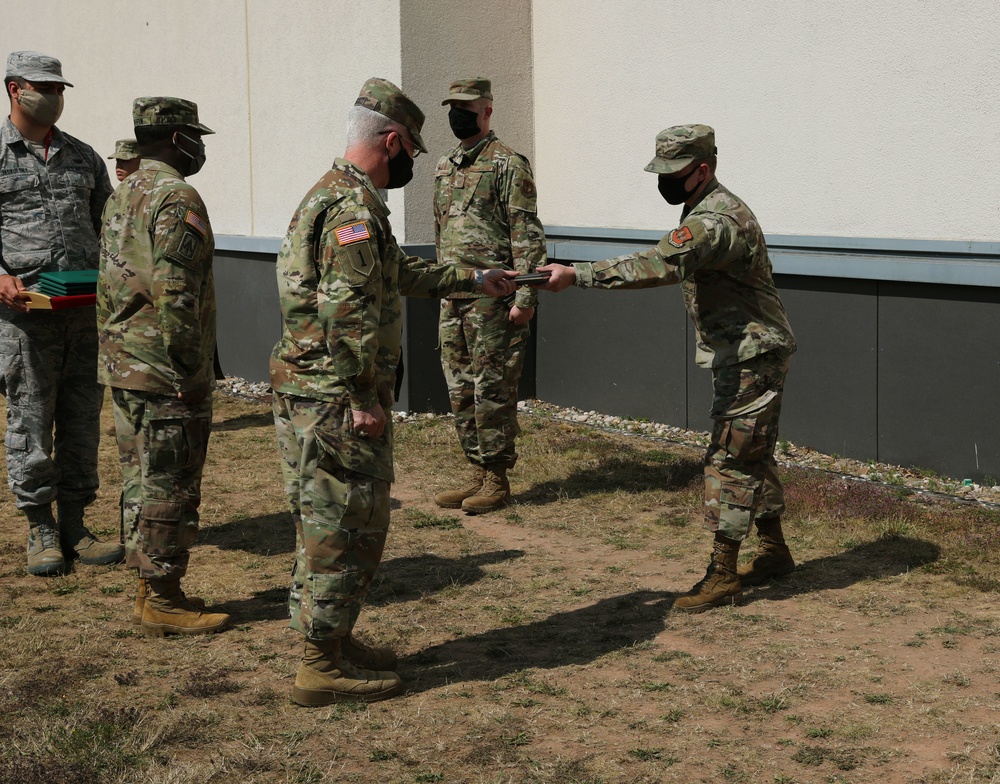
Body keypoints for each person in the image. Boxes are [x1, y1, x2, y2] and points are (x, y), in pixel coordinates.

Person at [271, 77, 517, 705]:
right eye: (412, 147)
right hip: (335, 401)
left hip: (312, 394)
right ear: (391, 140)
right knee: (344, 526)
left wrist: (474, 278)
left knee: (325, 520)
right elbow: (346, 311)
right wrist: (362, 399)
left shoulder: (334, 196)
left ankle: (332, 642)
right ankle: (320, 665)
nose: (414, 160)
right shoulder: (353, 210)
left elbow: (397, 272)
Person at [537, 125, 797, 613]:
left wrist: (577, 274)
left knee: (730, 458)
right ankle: (775, 551)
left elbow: (660, 264)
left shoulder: (715, 221)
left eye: (673, 174)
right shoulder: (702, 208)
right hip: (743, 352)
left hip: (751, 356)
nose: (664, 183)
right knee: (752, 452)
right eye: (659, 172)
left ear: (703, 170)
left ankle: (723, 573)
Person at [97, 96, 228, 637]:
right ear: (178, 139)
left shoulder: (122, 193)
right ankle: (162, 597)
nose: (199, 147)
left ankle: (147, 585)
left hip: (124, 360)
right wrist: (189, 370)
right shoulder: (176, 195)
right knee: (170, 483)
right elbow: (176, 292)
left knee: (140, 477)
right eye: (194, 136)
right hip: (164, 369)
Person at [0, 50, 121, 576]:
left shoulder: (83, 156)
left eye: (59, 89)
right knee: (30, 421)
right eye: (42, 88)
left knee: (81, 420)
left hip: (83, 315)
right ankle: (40, 528)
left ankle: (75, 522)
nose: (53, 97)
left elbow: (110, 227)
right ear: (13, 89)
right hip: (25, 317)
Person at [431, 78, 547, 514]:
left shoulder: (508, 164)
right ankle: (476, 469)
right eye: (453, 106)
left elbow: (527, 233)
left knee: (493, 386)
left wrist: (527, 298)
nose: (457, 114)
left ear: (487, 112)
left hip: (495, 298)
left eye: (466, 107)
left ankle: (497, 478)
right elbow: (441, 233)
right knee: (459, 384)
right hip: (454, 293)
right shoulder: (445, 165)